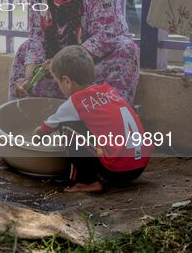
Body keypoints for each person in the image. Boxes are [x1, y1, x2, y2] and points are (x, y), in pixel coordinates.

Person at [9, 0, 139, 104]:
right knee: (24, 50)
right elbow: (36, 39)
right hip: (58, 63)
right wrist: (28, 79)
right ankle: (27, 113)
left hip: (94, 62)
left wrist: (63, 63)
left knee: (126, 49)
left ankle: (107, 114)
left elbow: (106, 36)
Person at [33, 45, 151, 193]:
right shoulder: (109, 91)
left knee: (67, 128)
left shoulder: (74, 102)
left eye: (58, 82)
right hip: (139, 165)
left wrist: (34, 139)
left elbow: (42, 131)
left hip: (118, 171)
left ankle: (86, 181)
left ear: (67, 81)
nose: (59, 87)